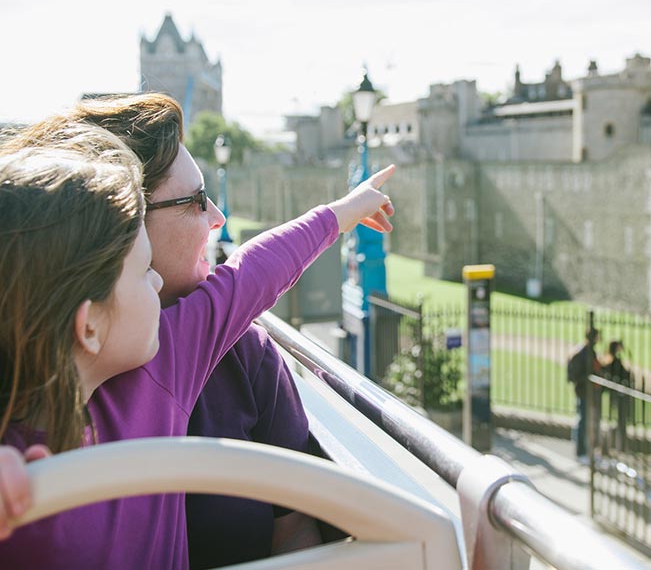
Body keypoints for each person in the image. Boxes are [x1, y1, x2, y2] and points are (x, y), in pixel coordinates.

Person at [0, 126, 395, 569]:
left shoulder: (169, 357)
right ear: (89, 325)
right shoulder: (164, 368)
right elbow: (248, 275)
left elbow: (252, 274)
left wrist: (340, 214)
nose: (155, 279)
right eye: (141, 271)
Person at [567, 327, 600, 461]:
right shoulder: (583, 353)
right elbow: (576, 375)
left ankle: (585, 449)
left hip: (586, 392)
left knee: (585, 420)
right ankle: (581, 452)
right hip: (583, 391)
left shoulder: (587, 351)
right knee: (583, 421)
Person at [600, 340, 632, 451]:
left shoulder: (609, 360)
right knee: (619, 420)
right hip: (617, 395)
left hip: (615, 395)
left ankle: (617, 445)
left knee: (616, 420)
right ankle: (617, 445)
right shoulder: (614, 362)